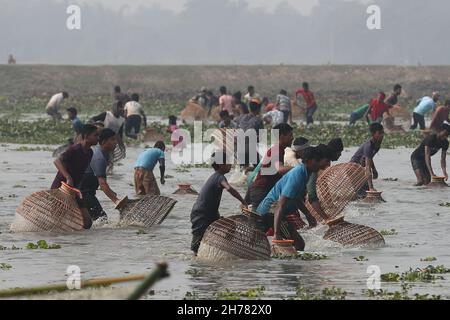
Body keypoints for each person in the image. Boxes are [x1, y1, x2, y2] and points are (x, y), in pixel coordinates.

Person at [256, 146, 326, 250]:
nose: (319, 163)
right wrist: (277, 233)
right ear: (307, 161)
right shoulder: (298, 174)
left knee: (259, 242)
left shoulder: (305, 173)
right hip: (270, 212)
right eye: (316, 160)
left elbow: (295, 196)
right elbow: (280, 205)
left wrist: (308, 215)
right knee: (299, 244)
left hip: (271, 211)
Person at [190, 152, 247, 255]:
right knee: (196, 245)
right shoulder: (219, 177)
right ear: (221, 165)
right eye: (229, 162)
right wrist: (243, 201)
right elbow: (229, 188)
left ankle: (224, 249)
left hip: (211, 213)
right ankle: (195, 261)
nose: (231, 165)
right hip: (201, 214)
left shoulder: (216, 176)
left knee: (230, 226)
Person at [248, 123, 294, 210]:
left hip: (262, 189)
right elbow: (279, 169)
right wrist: (298, 168)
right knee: (258, 220)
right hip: (261, 190)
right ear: (281, 136)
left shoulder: (279, 149)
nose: (292, 138)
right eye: (290, 135)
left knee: (261, 219)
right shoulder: (277, 149)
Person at [79, 129, 121, 221]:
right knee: (101, 219)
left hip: (86, 191)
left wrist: (111, 192)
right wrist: (116, 200)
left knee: (90, 220)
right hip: (84, 193)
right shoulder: (99, 157)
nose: (116, 143)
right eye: (113, 140)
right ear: (103, 142)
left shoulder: (100, 153)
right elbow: (102, 183)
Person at [306, 139, 344, 224]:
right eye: (340, 152)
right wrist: (327, 218)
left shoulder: (317, 163)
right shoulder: (312, 170)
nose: (328, 164)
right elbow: (313, 195)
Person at [51, 124, 99, 190]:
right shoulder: (75, 149)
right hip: (61, 186)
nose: (98, 138)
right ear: (86, 136)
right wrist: (68, 178)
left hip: (73, 187)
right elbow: (57, 161)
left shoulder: (90, 152)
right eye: (95, 135)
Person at [351, 123, 384, 194]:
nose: (382, 135)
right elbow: (367, 167)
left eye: (383, 132)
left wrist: (374, 169)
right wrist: (371, 187)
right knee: (363, 193)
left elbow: (369, 158)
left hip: (360, 169)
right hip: (353, 170)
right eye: (380, 133)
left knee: (363, 194)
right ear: (373, 134)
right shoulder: (369, 146)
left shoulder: (377, 144)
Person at [237, 99, 264, 166]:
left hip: (240, 149)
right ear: (258, 109)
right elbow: (260, 138)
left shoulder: (241, 118)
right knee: (258, 170)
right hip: (251, 149)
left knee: (242, 171)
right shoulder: (258, 120)